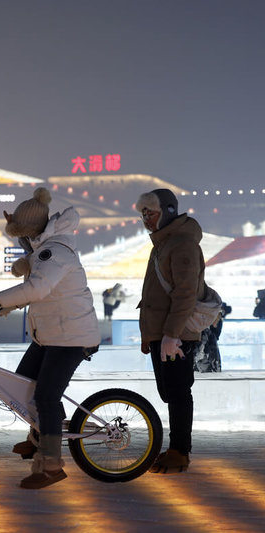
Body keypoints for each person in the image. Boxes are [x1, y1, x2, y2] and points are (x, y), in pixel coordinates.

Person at [0, 187, 100, 489]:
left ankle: (50, 465)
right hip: (52, 334)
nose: (19, 241)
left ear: (31, 231)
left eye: (20, 234)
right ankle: (38, 437)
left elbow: (38, 288)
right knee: (24, 382)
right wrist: (11, 304)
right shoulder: (42, 251)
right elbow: (43, 292)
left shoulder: (54, 253)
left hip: (71, 337)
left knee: (46, 396)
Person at [136, 188, 207, 474]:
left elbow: (185, 294)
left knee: (178, 392)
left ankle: (180, 451)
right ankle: (177, 448)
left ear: (167, 211)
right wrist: (149, 335)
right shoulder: (162, 244)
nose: (145, 220)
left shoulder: (182, 244)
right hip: (161, 334)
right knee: (169, 392)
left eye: (150, 213)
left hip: (174, 336)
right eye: (142, 214)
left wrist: (171, 335)